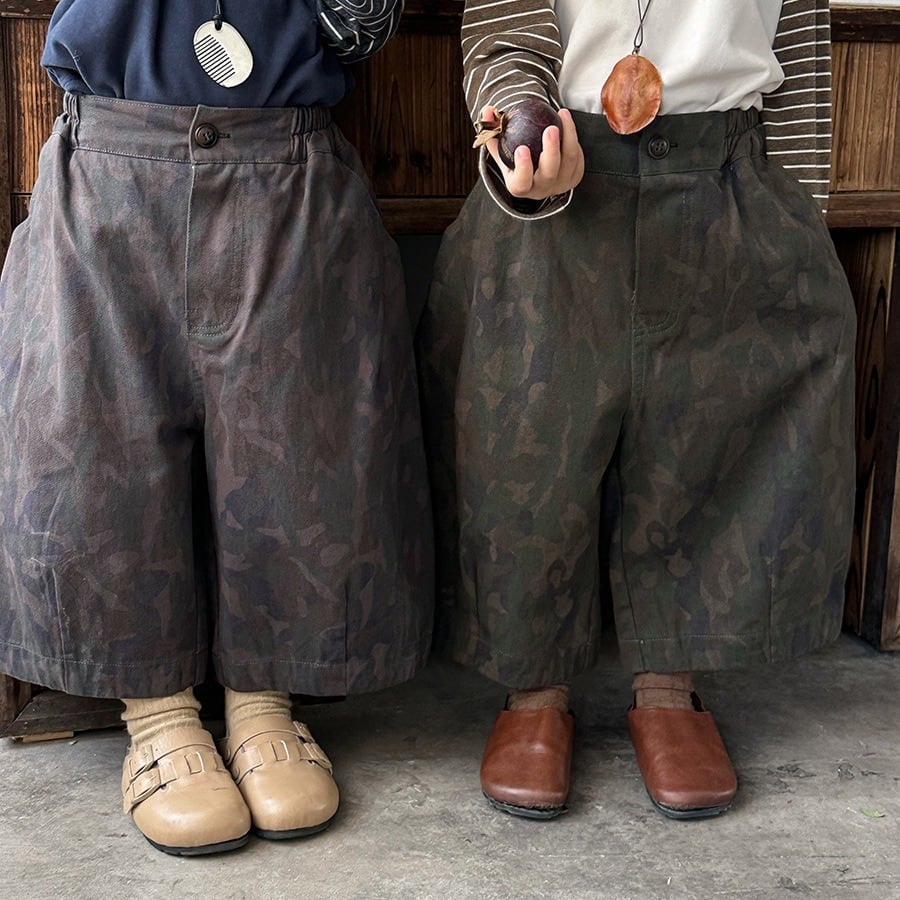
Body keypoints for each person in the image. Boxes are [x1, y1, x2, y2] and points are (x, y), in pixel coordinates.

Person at [0, 0, 433, 855]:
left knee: (302, 439)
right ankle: (156, 712)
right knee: (97, 440)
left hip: (287, 158)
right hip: (112, 155)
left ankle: (264, 699)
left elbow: (364, 22)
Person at [419, 0, 855, 820]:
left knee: (708, 429)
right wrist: (523, 128)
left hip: (727, 172)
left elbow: (798, 47)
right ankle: (534, 687)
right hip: (559, 167)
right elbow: (503, 26)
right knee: (527, 443)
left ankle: (670, 684)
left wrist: (799, 210)